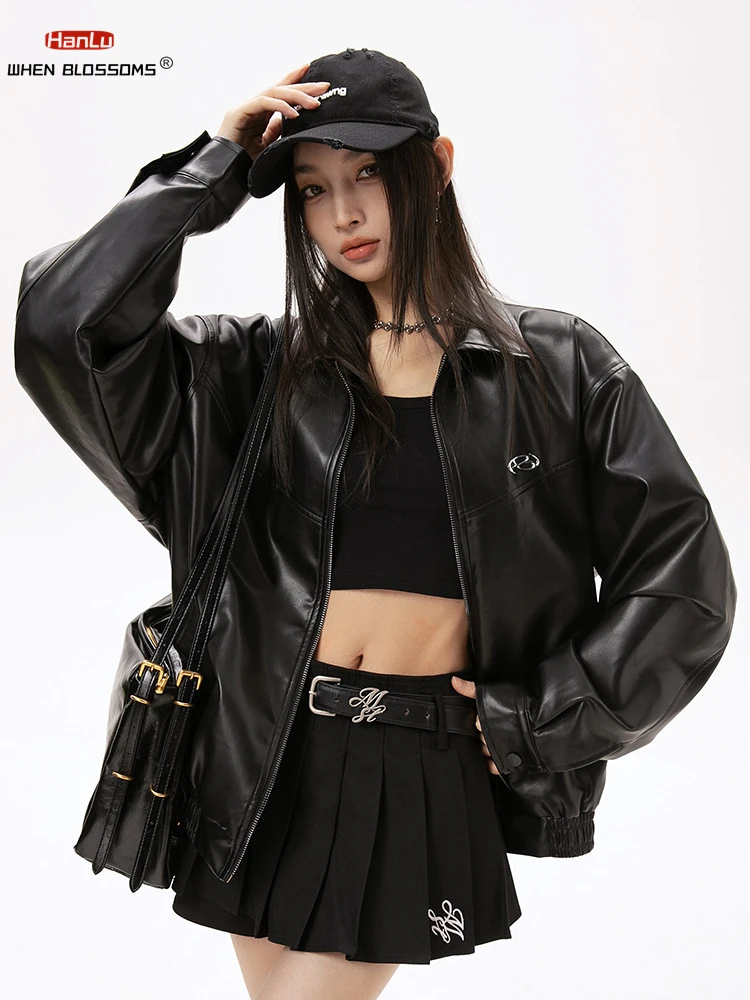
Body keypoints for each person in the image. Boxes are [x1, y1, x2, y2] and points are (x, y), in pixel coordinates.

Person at [14, 46, 736, 1000]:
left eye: (367, 175)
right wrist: (214, 166)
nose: (343, 214)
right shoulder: (254, 373)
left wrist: (539, 719)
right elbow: (60, 323)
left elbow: (686, 584)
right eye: (313, 189)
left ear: (436, 166)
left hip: (420, 756)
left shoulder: (556, 368)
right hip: (263, 759)